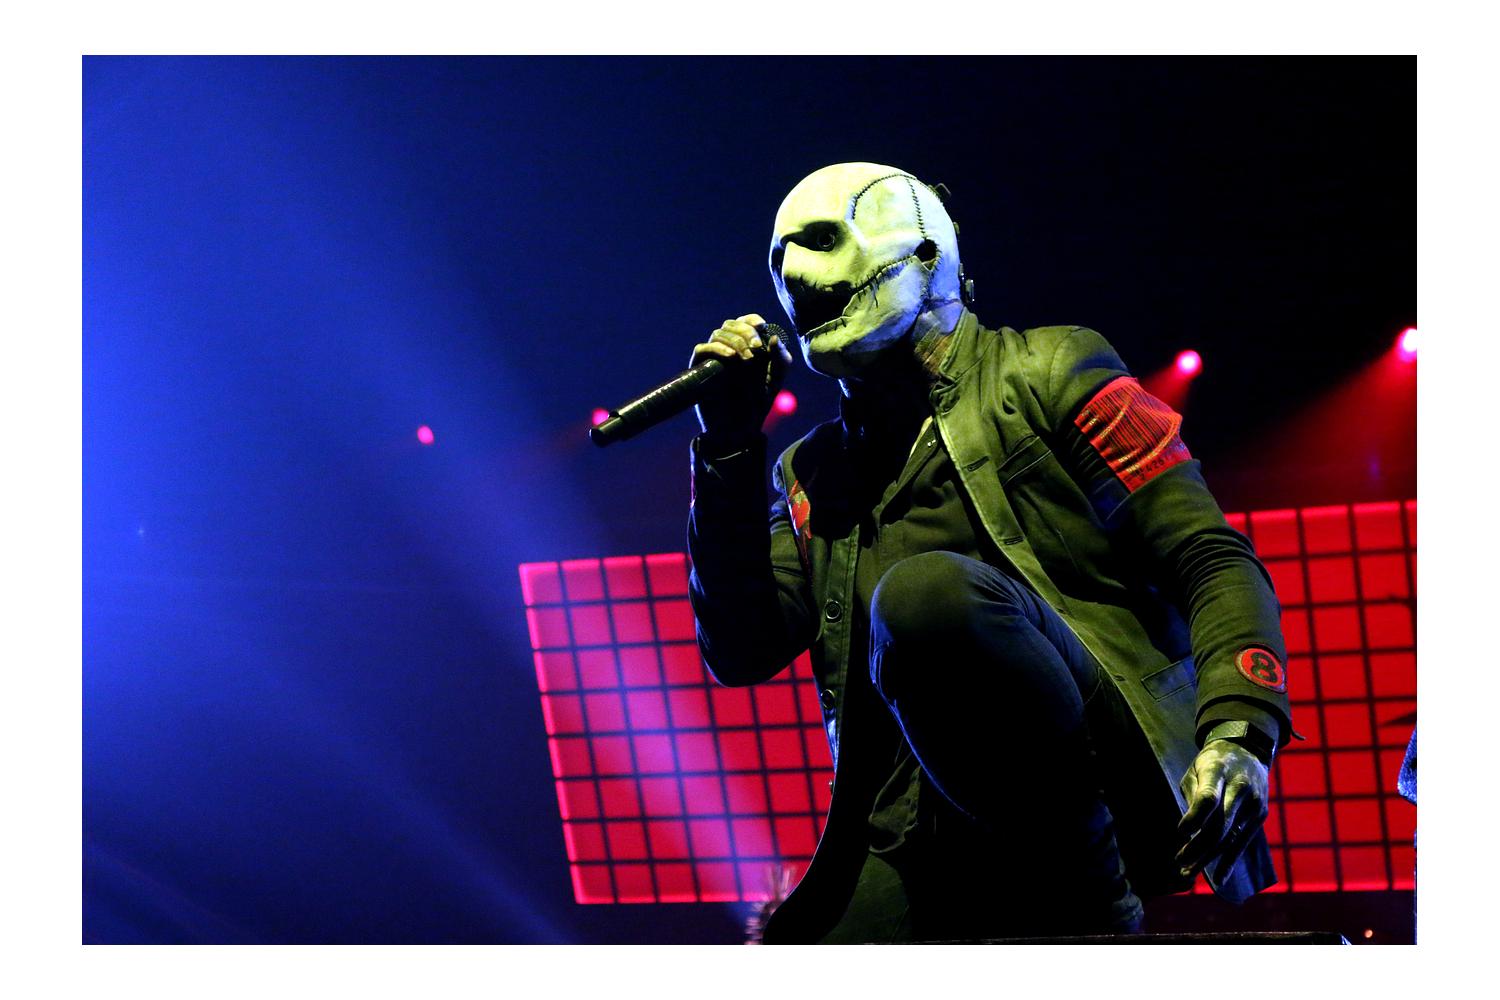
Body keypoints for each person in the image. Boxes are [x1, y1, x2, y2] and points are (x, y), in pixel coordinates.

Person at [685, 162, 1292, 943]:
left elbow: (1208, 555)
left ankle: (1089, 906)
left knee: (927, 599)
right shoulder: (811, 472)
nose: (797, 273)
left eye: (822, 242)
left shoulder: (1054, 370)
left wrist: (1240, 729)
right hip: (911, 822)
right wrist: (729, 449)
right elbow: (740, 650)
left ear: (925, 253)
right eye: (781, 258)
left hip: (1096, 781)